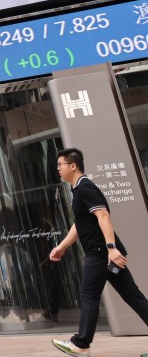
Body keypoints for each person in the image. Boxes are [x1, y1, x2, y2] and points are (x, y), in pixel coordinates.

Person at [49, 148, 148, 356]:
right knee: (133, 296)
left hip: (101, 251)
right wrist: (62, 246)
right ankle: (81, 343)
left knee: (88, 292)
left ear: (72, 165)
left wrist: (111, 249)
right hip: (104, 251)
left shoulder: (85, 187)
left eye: (60, 164)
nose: (58, 168)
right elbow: (80, 224)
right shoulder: (78, 190)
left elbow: (103, 216)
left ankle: (81, 343)